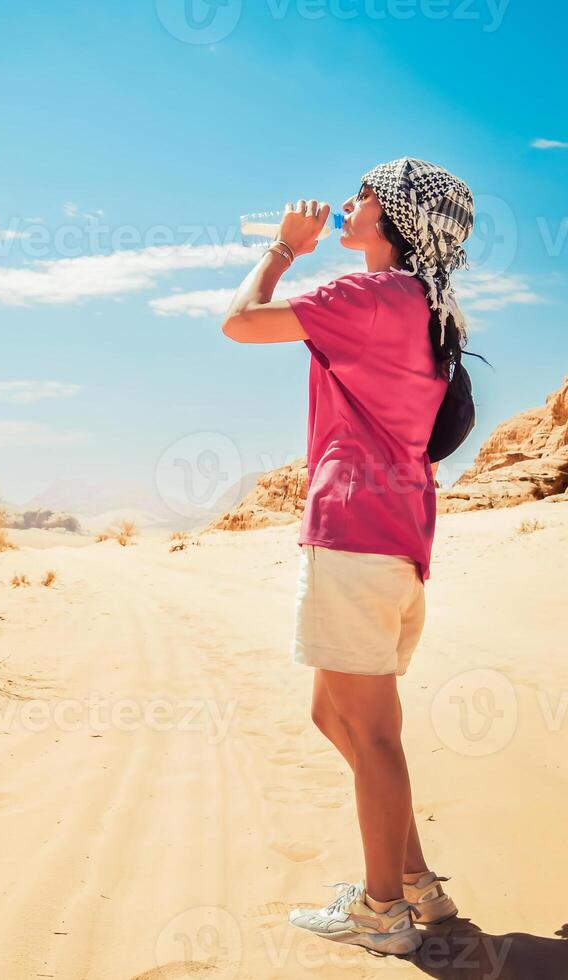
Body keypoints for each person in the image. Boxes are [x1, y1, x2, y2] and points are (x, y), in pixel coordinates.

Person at [221, 157, 475, 956]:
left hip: (355, 535)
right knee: (340, 716)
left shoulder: (368, 295)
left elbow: (240, 321)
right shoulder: (427, 307)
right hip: (399, 541)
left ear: (391, 217)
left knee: (369, 736)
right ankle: (416, 886)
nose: (347, 202)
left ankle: (381, 912)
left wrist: (283, 250)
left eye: (364, 193)